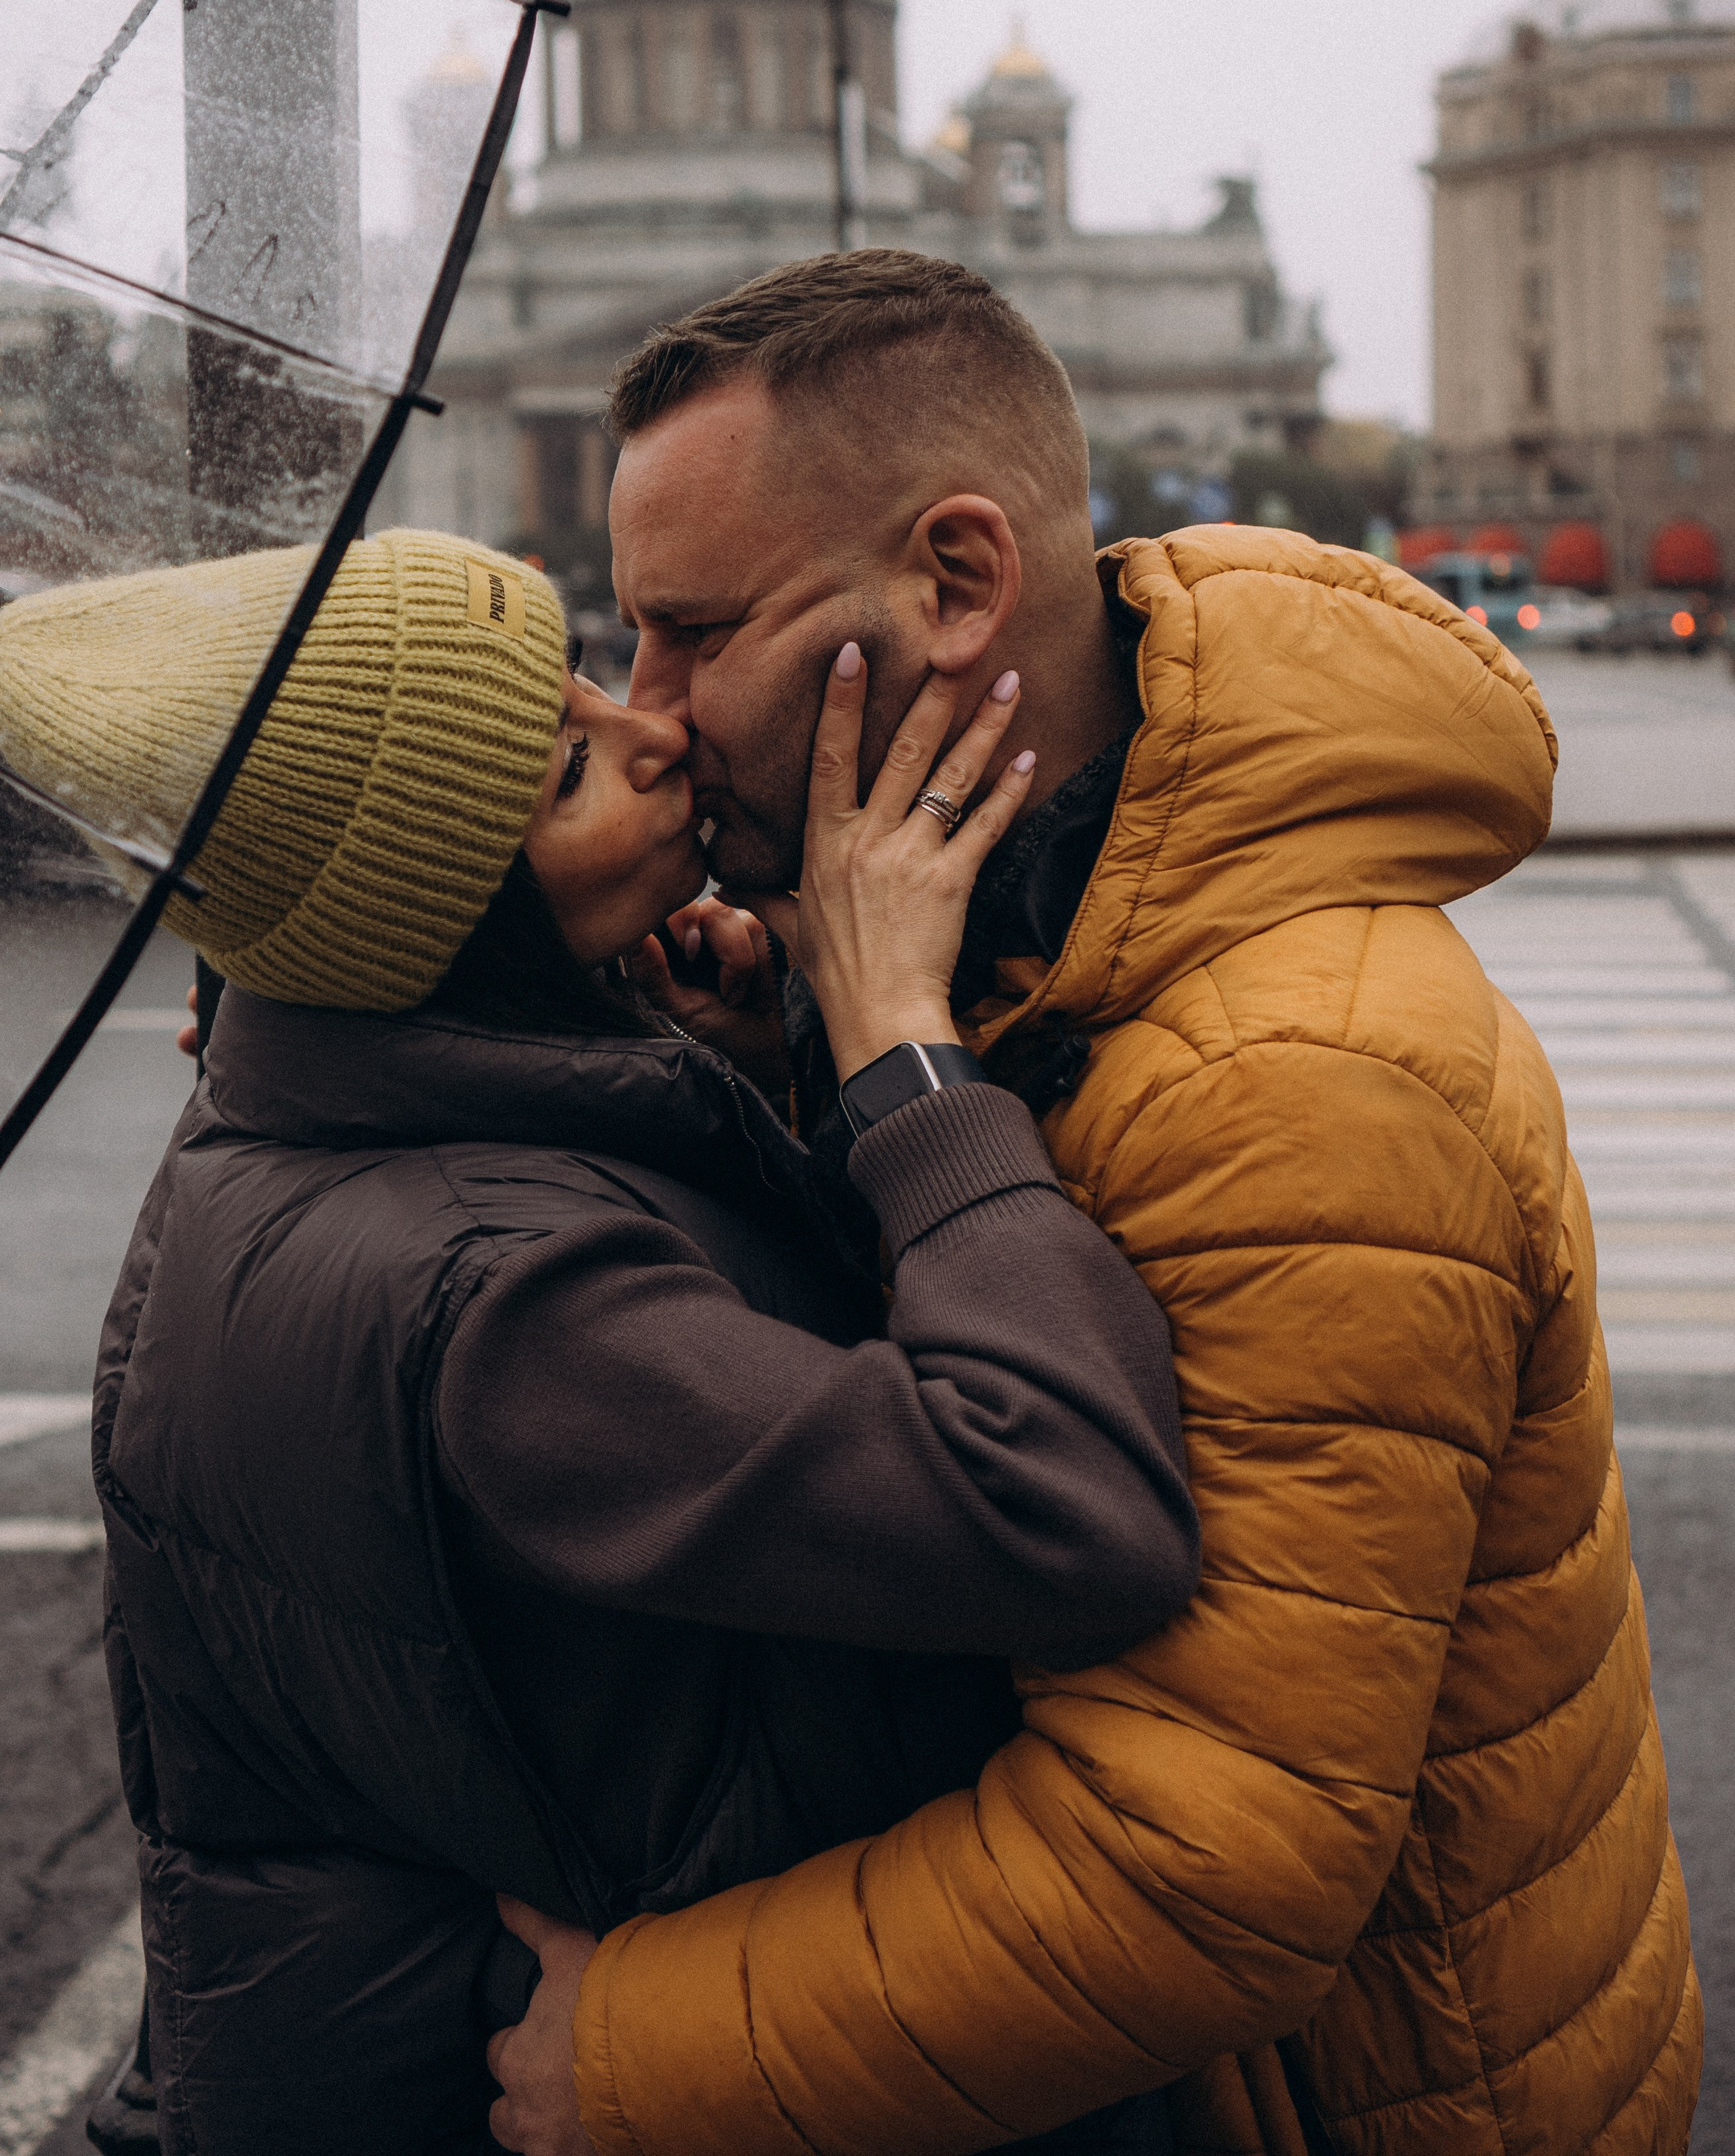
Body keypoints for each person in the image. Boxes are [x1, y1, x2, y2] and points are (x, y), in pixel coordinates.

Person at [488, 253, 1700, 2156]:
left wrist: (631, 2057)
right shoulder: (978, 933)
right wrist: (783, 1068)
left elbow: (1197, 1869)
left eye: (693, 632)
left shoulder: (1304, 1075)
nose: (649, 714)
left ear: (958, 584)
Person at [0, 529, 1201, 2156]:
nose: (655, 731)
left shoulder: (286, 1126)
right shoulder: (509, 1304)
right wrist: (903, 1056)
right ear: (453, 928)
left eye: (584, 674)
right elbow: (1067, 1510)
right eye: (572, 771)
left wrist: (711, 1067)